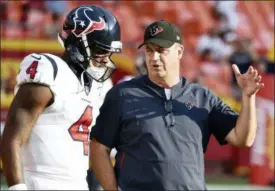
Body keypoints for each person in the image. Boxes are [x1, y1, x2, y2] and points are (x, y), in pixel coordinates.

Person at [89, 20, 264, 191]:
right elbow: (99, 147)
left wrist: (248, 98)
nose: (154, 58)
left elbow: (243, 139)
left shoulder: (203, 97)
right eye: (149, 51)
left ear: (179, 51)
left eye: (161, 50)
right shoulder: (122, 94)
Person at [1, 5, 122, 190]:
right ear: (79, 43)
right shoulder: (51, 72)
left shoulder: (97, 85)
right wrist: (17, 188)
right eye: (100, 50)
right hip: (40, 182)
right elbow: (12, 136)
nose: (106, 59)